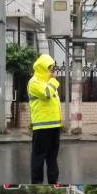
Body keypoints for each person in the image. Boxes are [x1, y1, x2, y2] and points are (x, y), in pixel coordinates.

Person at [28, 54, 62, 184]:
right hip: (41, 126)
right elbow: (47, 94)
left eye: (53, 68)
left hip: (54, 126)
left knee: (52, 157)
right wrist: (54, 81)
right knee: (39, 157)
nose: (53, 71)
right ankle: (37, 182)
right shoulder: (34, 82)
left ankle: (54, 181)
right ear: (42, 67)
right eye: (50, 68)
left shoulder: (48, 82)